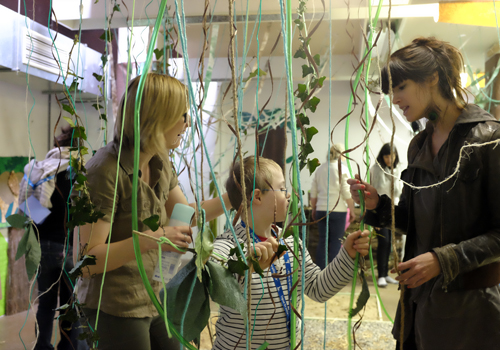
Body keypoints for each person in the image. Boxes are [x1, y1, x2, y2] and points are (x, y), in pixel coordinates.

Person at [348, 37, 500, 349]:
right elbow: (415, 219)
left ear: (432, 79)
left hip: (471, 311)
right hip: (419, 305)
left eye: (400, 87)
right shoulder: (418, 144)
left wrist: (444, 259)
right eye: (392, 91)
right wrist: (380, 207)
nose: (395, 99)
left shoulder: (489, 139)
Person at [74, 73, 232, 350]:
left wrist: (233, 199)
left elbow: (183, 214)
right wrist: (153, 238)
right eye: (181, 115)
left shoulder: (159, 159)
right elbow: (88, 260)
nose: (187, 123)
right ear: (157, 118)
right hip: (115, 305)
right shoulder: (105, 171)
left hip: (153, 295)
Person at [212, 156, 370, 349]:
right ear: (258, 196)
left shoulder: (290, 244)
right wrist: (246, 265)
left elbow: (319, 289)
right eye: (282, 188)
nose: (288, 195)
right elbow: (213, 274)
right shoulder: (228, 244)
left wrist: (347, 254)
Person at [19, 126, 86, 350]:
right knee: (70, 306)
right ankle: (67, 348)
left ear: (58, 144)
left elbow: (32, 212)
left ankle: (42, 346)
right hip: (69, 247)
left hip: (43, 246)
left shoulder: (42, 170)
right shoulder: (81, 174)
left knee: (45, 303)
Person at [310, 144, 356, 269]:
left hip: (321, 209)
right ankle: (333, 273)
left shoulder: (320, 169)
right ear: (341, 154)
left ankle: (320, 271)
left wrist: (314, 208)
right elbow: (346, 192)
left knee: (323, 241)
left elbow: (313, 192)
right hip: (338, 210)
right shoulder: (342, 169)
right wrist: (352, 210)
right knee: (336, 241)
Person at [370, 143, 402, 287]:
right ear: (382, 157)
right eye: (387, 156)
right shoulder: (375, 170)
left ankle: (385, 274)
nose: (390, 159)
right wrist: (374, 217)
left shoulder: (397, 170)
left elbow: (399, 192)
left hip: (394, 211)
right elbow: (371, 194)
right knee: (383, 242)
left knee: (389, 243)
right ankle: (380, 276)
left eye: (392, 156)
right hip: (379, 211)